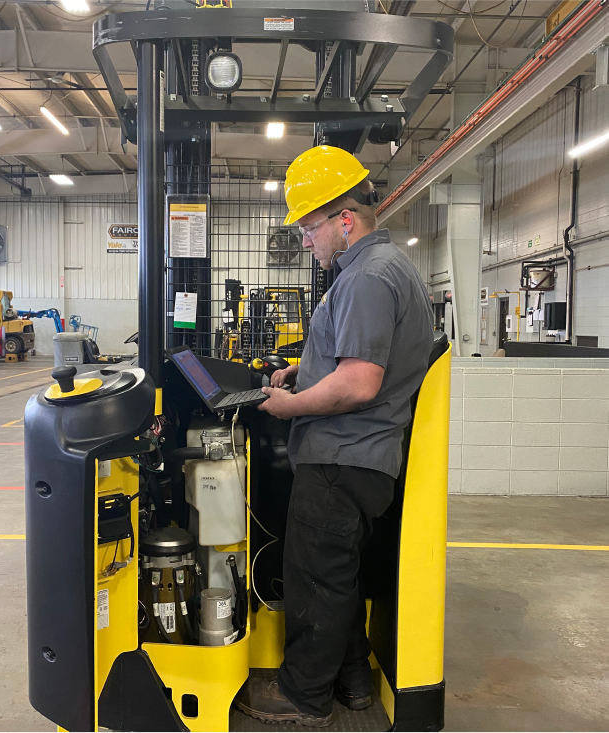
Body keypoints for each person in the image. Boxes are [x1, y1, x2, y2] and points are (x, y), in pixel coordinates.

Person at [235, 145, 434, 727]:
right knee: (338, 577)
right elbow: (355, 361)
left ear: (344, 219)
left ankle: (303, 697)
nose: (306, 240)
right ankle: (352, 683)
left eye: (310, 227)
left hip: (342, 458)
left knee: (314, 582)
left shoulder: (368, 277)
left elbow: (360, 382)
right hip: (361, 460)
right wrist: (305, 368)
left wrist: (291, 403)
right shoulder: (381, 269)